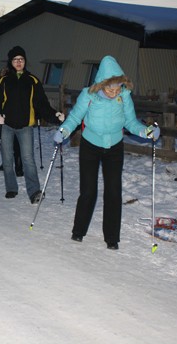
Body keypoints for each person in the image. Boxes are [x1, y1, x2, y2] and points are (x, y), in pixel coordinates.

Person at [53, 55, 160, 250]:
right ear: (101, 84)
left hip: (114, 147)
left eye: (118, 87)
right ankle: (78, 231)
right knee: (88, 191)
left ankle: (112, 237)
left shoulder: (124, 96)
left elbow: (130, 122)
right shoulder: (88, 95)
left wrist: (146, 131)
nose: (114, 92)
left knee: (113, 191)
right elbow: (75, 117)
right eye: (110, 88)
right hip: (90, 145)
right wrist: (64, 130)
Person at [0, 45, 65, 204]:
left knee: (28, 159)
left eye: (21, 59)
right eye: (15, 60)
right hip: (7, 125)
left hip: (25, 126)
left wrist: (54, 115)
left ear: (25, 61)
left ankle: (34, 191)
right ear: (11, 62)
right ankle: (11, 188)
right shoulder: (3, 81)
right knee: (8, 158)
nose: (18, 62)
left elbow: (42, 104)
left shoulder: (32, 80)